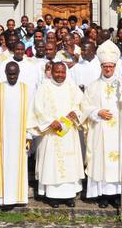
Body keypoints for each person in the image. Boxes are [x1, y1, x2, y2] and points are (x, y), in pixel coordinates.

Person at [81, 41, 122, 208]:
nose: (108, 69)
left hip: (120, 130)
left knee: (119, 161)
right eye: (105, 66)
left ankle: (117, 194)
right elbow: (84, 107)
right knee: (101, 161)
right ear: (101, 66)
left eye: (111, 66)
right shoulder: (93, 86)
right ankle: (103, 195)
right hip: (100, 129)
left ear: (115, 67)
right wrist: (97, 112)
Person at [31, 62, 85, 208]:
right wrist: (49, 122)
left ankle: (69, 196)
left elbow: (81, 104)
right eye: (57, 72)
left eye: (63, 72)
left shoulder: (71, 86)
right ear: (51, 72)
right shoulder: (44, 87)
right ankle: (53, 197)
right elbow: (37, 109)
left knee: (69, 163)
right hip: (51, 133)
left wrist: (76, 112)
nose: (60, 75)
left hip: (68, 132)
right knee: (52, 163)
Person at [0, 62, 34, 208]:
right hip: (1, 137)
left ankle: (18, 197)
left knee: (18, 166)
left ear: (19, 73)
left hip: (20, 137)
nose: (12, 76)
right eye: (9, 74)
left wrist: (28, 135)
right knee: (1, 166)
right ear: (5, 73)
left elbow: (30, 113)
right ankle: (1, 198)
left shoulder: (26, 89)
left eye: (14, 74)